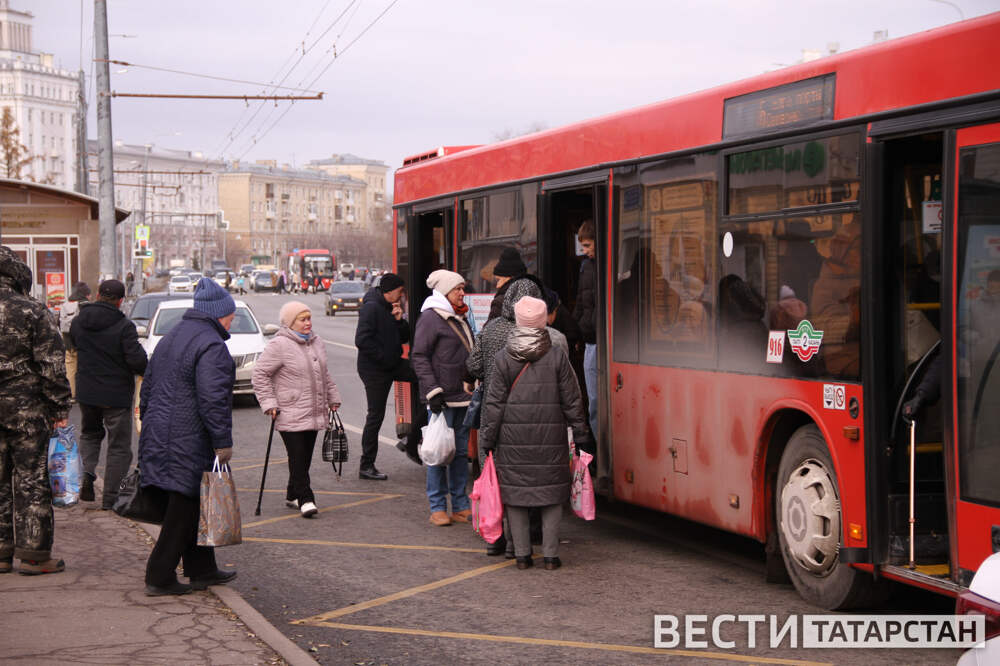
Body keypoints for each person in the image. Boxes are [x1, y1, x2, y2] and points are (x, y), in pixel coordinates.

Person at [138, 277, 238, 596]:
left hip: (161, 432)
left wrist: (147, 423)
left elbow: (148, 387)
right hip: (188, 437)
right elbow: (213, 399)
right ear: (217, 313)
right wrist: (222, 441)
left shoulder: (171, 336)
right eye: (230, 315)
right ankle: (159, 576)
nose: (231, 321)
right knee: (183, 506)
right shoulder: (212, 345)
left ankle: (202, 569)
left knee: (193, 503)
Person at [479, 296, 591, 570]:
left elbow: (494, 404)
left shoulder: (503, 358)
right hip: (550, 439)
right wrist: (581, 433)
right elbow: (572, 400)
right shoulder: (556, 356)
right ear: (542, 322)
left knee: (515, 495)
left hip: (511, 440)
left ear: (518, 321)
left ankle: (522, 555)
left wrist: (488, 439)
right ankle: (550, 556)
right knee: (551, 495)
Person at [0, 246, 71, 575]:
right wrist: (60, 406)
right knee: (31, 480)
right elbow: (51, 364)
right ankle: (33, 555)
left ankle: (1, 555)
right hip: (26, 411)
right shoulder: (32, 310)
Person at [466, 277, 542, 556]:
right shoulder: (533, 334)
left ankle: (494, 538)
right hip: (523, 414)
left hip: (491, 412)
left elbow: (473, 365)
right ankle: (517, 540)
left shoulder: (491, 329)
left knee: (493, 476)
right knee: (520, 478)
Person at [252, 301, 341, 518]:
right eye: (302, 319)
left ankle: (292, 493)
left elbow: (324, 373)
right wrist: (269, 403)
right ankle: (306, 498)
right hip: (288, 410)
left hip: (313, 410)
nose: (308, 323)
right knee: (298, 456)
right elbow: (260, 374)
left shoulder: (317, 342)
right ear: (290, 322)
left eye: (309, 318)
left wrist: (333, 397)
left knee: (304, 457)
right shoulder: (279, 345)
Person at [70, 279, 148, 508]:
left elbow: (74, 344)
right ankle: (111, 497)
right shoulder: (124, 326)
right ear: (120, 301)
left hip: (87, 393)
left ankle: (87, 474)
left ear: (97, 295)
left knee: (90, 434)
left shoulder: (79, 321)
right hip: (116, 396)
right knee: (119, 446)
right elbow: (137, 361)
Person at [410, 270, 474, 526]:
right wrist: (432, 391)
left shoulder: (459, 315)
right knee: (438, 453)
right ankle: (437, 507)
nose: (462, 293)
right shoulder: (431, 317)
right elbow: (419, 356)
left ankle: (460, 505)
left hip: (463, 397)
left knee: (459, 453)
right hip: (442, 399)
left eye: (462, 288)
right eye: (458, 289)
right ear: (445, 291)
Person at [355, 272, 415, 480]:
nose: (401, 296)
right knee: (375, 416)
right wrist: (384, 358)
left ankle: (413, 436)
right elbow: (361, 340)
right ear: (389, 291)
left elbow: (404, 337)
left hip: (392, 364)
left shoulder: (388, 306)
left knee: (425, 377)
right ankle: (366, 465)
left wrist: (399, 320)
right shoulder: (371, 308)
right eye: (399, 292)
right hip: (375, 370)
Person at [574, 220, 599, 440]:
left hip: (601, 339)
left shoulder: (606, 265)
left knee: (597, 399)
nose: (585, 251)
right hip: (591, 340)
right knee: (593, 400)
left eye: (588, 246)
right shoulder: (585, 267)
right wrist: (577, 330)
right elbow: (581, 301)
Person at [487, 247, 544, 323]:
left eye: (498, 280)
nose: (497, 286)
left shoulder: (500, 302)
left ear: (510, 278)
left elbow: (489, 329)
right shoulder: (537, 298)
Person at [59, 281, 91, 401]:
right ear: (86, 294)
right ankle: (85, 394)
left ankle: (72, 394)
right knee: (85, 370)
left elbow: (59, 323)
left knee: (70, 370)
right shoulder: (85, 305)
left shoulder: (65, 305)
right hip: (83, 344)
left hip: (68, 343)